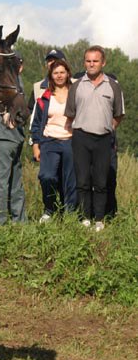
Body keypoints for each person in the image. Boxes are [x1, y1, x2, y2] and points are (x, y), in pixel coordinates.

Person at [65, 45, 125, 231]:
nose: (91, 64)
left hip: (104, 138)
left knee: (100, 181)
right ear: (85, 62)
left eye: (95, 61)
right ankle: (85, 218)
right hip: (81, 137)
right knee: (82, 180)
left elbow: (119, 114)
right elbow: (70, 114)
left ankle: (99, 219)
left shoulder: (113, 86)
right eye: (88, 61)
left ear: (103, 62)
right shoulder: (76, 86)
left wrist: (108, 127)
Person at [31, 59, 77, 222]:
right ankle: (49, 209)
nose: (59, 76)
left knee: (70, 180)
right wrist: (36, 146)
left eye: (62, 72)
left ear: (67, 73)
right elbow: (36, 124)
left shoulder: (75, 93)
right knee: (46, 176)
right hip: (49, 141)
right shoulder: (44, 97)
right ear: (51, 75)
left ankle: (70, 214)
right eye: (55, 73)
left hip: (71, 141)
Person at [0, 57, 27, 224]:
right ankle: (21, 223)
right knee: (15, 183)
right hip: (16, 136)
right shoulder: (19, 84)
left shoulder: (3, 83)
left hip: (1, 136)